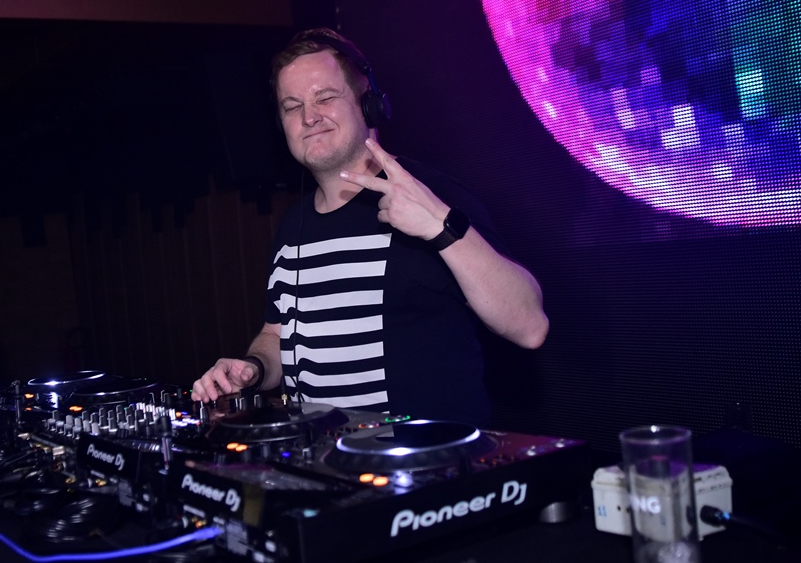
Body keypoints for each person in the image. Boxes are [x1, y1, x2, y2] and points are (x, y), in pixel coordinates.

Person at [191, 28, 548, 425]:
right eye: (292, 106)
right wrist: (253, 368)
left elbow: (529, 326)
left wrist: (439, 225)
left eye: (325, 97)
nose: (309, 117)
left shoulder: (428, 196)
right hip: (329, 457)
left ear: (370, 105)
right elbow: (277, 334)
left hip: (427, 457)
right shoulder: (293, 226)